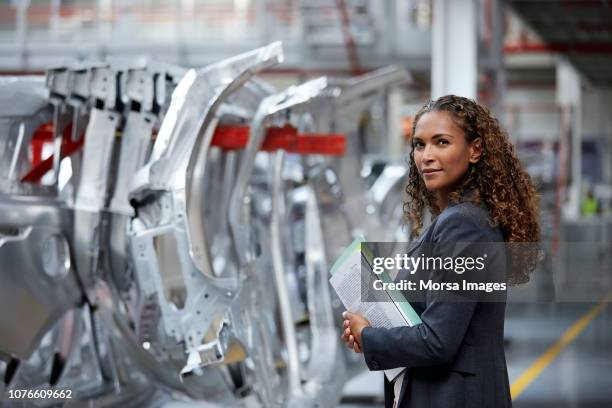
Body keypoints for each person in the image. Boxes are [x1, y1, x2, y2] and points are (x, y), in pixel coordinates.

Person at [341, 95, 540, 408]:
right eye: (419, 145)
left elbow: (438, 341)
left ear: (475, 150)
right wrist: (373, 336)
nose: (427, 156)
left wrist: (369, 337)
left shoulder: (463, 224)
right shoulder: (460, 218)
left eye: (441, 142)